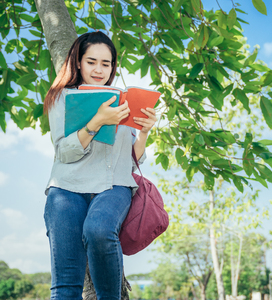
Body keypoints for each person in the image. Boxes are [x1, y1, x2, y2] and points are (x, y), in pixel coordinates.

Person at [43, 31, 157, 299]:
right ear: (78, 63)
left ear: (113, 67)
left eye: (106, 64)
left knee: (98, 230)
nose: (98, 69)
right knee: (65, 287)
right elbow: (64, 153)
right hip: (66, 189)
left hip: (113, 186)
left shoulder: (122, 100)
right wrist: (97, 121)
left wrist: (145, 132)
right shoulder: (62, 98)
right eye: (91, 61)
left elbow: (132, 160)